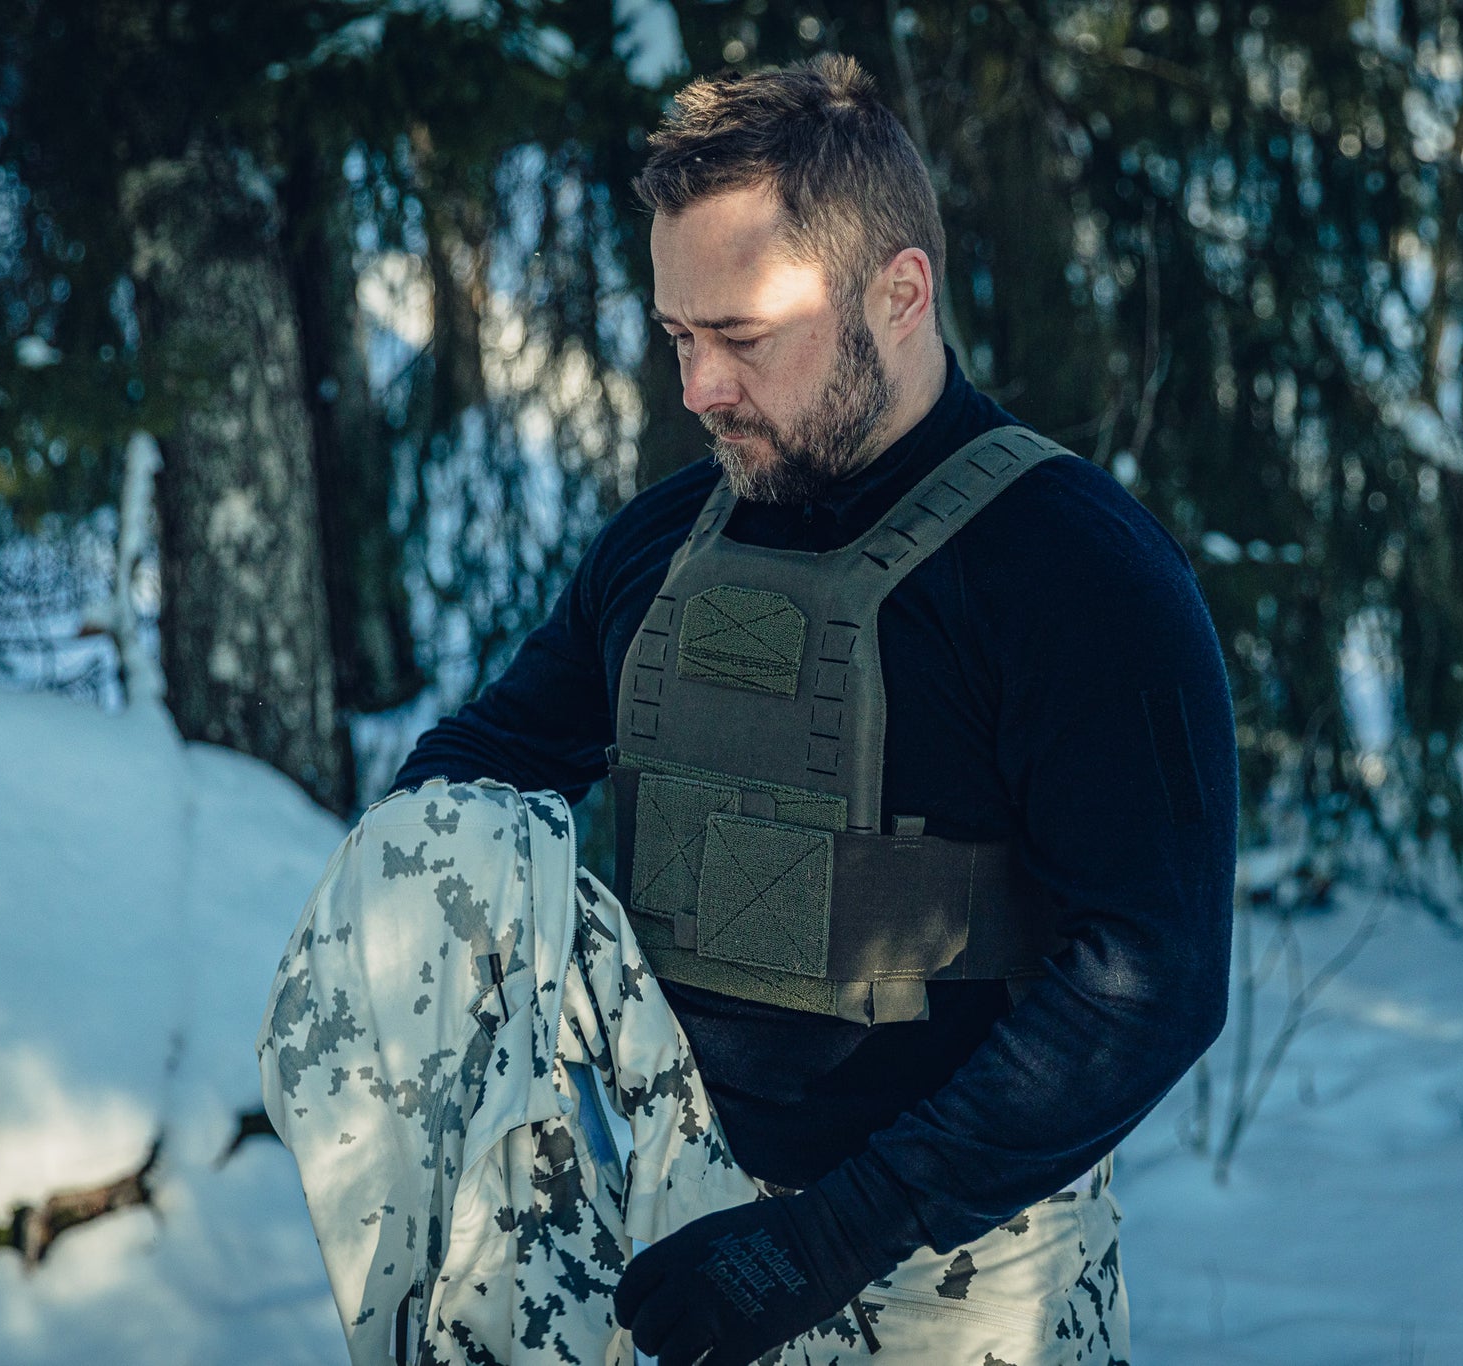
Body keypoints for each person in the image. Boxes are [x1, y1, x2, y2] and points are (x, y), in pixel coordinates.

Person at [391, 52, 1237, 1366]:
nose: (698, 390)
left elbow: (1152, 984)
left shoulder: (1075, 570)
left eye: (741, 336)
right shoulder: (660, 544)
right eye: (679, 335)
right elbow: (485, 769)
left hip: (958, 1281)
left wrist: (819, 1241)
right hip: (675, 1236)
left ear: (899, 292)